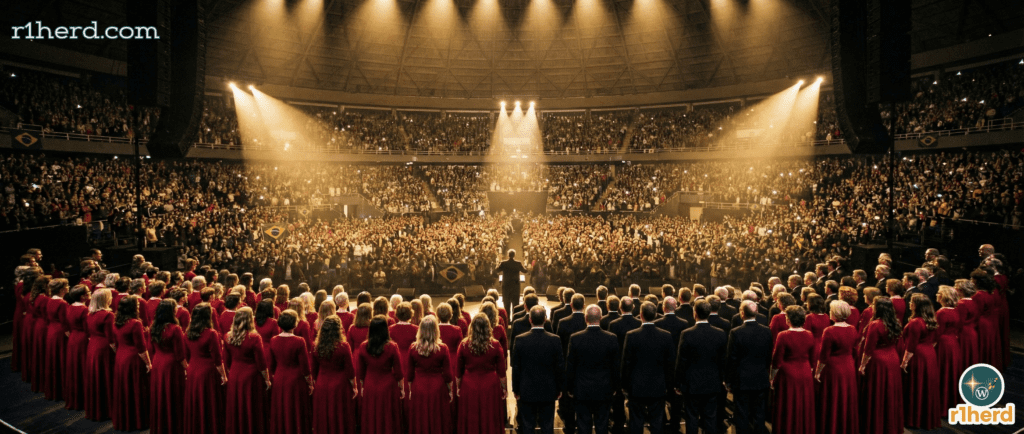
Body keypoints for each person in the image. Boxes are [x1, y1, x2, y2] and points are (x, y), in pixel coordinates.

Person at [622, 301, 675, 434]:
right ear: (656, 315)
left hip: (636, 386)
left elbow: (626, 363)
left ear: (640, 315)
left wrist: (625, 385)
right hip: (658, 385)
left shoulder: (631, 335)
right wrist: (669, 385)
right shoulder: (666, 335)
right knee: (657, 422)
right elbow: (670, 364)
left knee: (636, 422)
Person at [566, 305, 619, 434]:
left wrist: (569, 388)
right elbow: (615, 366)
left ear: (585, 318)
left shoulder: (575, 338)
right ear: (600, 318)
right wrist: (615, 387)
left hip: (582, 389)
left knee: (583, 426)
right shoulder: (611, 338)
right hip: (604, 388)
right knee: (602, 425)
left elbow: (570, 366)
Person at [512, 306, 564, 434]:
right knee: (547, 426)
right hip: (548, 389)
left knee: (527, 426)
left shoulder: (520, 340)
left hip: (526, 389)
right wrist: (559, 388)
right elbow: (559, 367)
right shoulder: (555, 340)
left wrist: (516, 389)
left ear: (530, 320)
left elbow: (516, 367)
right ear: (545, 319)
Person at [676, 299, 726, 434]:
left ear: (694, 313)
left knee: (691, 418)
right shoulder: (720, 333)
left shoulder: (687, 334)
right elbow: (723, 360)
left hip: (691, 384)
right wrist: (722, 379)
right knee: (710, 417)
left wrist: (678, 383)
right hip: (712, 383)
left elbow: (682, 361)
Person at [859, 297, 904, 434]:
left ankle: (875, 425)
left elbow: (869, 348)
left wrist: (862, 365)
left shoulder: (875, 324)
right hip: (892, 357)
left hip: (878, 361)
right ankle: (890, 424)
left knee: (876, 392)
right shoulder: (895, 321)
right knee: (890, 392)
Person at [456, 314, 507, 434]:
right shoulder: (494, 345)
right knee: (489, 416)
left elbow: (458, 371)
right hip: (490, 386)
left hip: (469, 385)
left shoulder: (464, 344)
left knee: (470, 416)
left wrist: (458, 387)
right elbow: (502, 371)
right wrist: (504, 388)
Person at [224, 306, 271, 434]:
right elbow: (261, 362)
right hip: (251, 376)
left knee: (237, 406)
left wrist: (229, 373)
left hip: (235, 374)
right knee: (251, 407)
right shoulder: (254, 337)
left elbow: (226, 361)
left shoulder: (228, 336)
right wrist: (267, 379)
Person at [814, 300, 859, 434]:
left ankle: (832, 427)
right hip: (849, 366)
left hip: (833, 368)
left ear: (834, 313)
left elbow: (823, 356)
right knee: (846, 398)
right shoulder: (852, 328)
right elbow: (855, 350)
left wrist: (817, 372)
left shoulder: (829, 331)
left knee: (833, 399)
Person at [726, 300, 771, 434]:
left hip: (742, 380)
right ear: (756, 313)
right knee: (759, 413)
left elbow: (731, 359)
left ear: (742, 313)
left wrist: (728, 380)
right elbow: (769, 356)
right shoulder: (767, 331)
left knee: (742, 413)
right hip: (761, 377)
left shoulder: (736, 332)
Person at [184, 303, 228, 434]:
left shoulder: (187, 332)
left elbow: (186, 354)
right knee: (209, 403)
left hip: (193, 369)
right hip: (208, 371)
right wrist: (224, 375)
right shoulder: (211, 333)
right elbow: (217, 358)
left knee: (196, 402)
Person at [771, 305, 816, 434]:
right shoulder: (809, 334)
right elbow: (813, 359)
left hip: (788, 375)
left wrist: (772, 377)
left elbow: (777, 360)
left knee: (788, 406)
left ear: (789, 319)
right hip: (806, 372)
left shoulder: (783, 335)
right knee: (804, 405)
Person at [269, 310, 314, 434]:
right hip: (295, 380)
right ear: (295, 324)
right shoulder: (299, 341)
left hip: (279, 377)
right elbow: (305, 367)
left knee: (281, 409)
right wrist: (310, 383)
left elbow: (271, 365)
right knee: (296, 410)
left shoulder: (273, 340)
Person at [406, 316, 454, 434]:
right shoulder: (442, 349)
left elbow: (410, 374)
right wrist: (450, 390)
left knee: (420, 418)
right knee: (437, 418)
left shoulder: (413, 348)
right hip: (438, 387)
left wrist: (411, 389)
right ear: (436, 330)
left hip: (419, 385)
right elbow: (448, 374)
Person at [111, 295, 152, 431]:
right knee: (136, 388)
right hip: (133, 359)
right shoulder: (135, 323)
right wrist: (148, 363)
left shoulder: (117, 321)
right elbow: (141, 347)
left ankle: (126, 418)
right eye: (137, 306)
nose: (139, 307)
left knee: (124, 389)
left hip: (121, 357)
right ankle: (139, 420)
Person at [358, 315, 404, 434]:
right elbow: (399, 372)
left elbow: (361, 372)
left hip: (370, 384)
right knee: (387, 416)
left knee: (372, 415)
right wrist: (402, 388)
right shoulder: (392, 347)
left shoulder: (364, 346)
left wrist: (362, 386)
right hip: (388, 386)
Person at [901, 294, 941, 429]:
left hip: (917, 356)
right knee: (926, 387)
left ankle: (913, 418)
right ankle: (926, 417)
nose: (909, 304)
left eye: (911, 302)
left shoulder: (915, 322)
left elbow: (911, 346)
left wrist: (904, 362)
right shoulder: (931, 319)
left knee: (915, 386)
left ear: (916, 306)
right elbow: (935, 340)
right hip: (930, 354)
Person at [312, 316, 357, 434]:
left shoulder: (316, 346)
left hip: (321, 383)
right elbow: (350, 370)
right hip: (339, 386)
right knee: (339, 415)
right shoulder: (343, 346)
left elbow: (314, 370)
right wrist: (354, 386)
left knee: (323, 415)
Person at [150, 299, 187, 434]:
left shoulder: (153, 325)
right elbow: (180, 353)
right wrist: (186, 368)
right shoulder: (175, 329)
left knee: (160, 394)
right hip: (171, 365)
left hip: (158, 362)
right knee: (174, 395)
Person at [653, 296, 688, 433]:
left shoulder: (656, 323)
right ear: (676, 307)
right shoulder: (684, 323)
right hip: (677, 364)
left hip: (661, 365)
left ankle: (662, 422)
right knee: (677, 398)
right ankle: (675, 423)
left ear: (663, 308)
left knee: (661, 396)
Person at [556, 293, 588, 434]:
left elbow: (559, 345)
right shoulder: (589, 321)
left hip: (567, 365)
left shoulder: (563, 322)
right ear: (584, 305)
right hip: (586, 364)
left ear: (571, 305)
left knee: (568, 400)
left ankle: (569, 427)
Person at [607, 296, 640, 433]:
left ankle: (619, 422)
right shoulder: (639, 323)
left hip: (618, 362)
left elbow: (611, 347)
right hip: (636, 364)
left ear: (620, 308)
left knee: (618, 396)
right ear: (633, 308)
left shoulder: (613, 324)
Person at [85, 288, 116, 421]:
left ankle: (97, 408)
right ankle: (108, 409)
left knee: (97, 378)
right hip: (104, 348)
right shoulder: (108, 315)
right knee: (107, 377)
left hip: (93, 346)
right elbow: (111, 338)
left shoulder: (90, 314)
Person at [935, 286, 962, 418]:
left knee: (942, 373)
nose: (936, 294)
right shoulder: (956, 311)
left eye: (939, 293)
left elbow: (937, 333)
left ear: (944, 296)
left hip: (943, 345)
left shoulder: (942, 313)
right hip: (953, 344)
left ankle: (940, 405)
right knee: (950, 374)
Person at [64, 285, 91, 411]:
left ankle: (76, 398)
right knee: (83, 368)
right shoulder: (84, 310)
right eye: (88, 292)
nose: (90, 294)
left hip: (73, 338)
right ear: (83, 296)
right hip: (82, 339)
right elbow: (88, 328)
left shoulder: (69, 307)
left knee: (75, 368)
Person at [43, 278, 69, 400]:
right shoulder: (62, 304)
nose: (69, 287)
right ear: (62, 289)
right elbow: (65, 322)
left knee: (54, 360)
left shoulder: (49, 300)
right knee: (62, 359)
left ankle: (55, 388)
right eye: (67, 285)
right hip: (60, 332)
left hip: (51, 330)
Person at [954, 279, 980, 370]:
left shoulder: (961, 304)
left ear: (961, 290)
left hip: (963, 334)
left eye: (956, 288)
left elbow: (959, 322)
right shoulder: (973, 302)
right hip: (972, 333)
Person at [495, 248, 527, 319]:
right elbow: (525, 271)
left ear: (508, 255)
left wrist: (497, 263)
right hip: (515, 286)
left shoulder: (503, 263)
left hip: (506, 286)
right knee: (516, 304)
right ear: (514, 255)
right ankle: (515, 320)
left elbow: (497, 270)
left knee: (506, 304)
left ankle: (507, 320)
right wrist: (526, 265)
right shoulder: (518, 263)